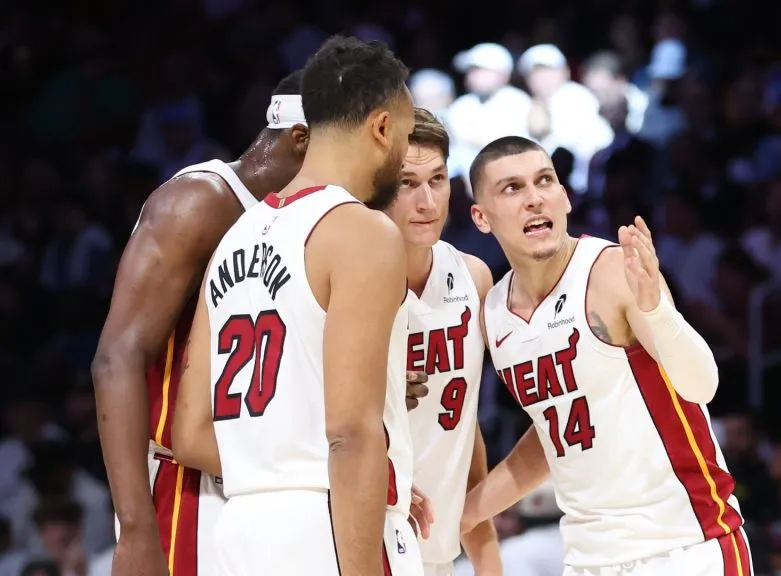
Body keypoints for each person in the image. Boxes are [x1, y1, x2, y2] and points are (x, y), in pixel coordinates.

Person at [170, 35, 420, 575]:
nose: (403, 154)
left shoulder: (232, 240)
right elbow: (351, 431)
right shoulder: (361, 231)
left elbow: (188, 432)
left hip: (242, 528)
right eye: (404, 136)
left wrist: (274, 461)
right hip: (330, 523)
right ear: (381, 127)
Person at [461, 136, 751, 575]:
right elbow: (555, 432)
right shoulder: (496, 313)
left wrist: (656, 311)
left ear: (565, 197)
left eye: (544, 182)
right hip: (588, 557)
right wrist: (466, 512)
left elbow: (701, 385)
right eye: (512, 188)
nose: (534, 199)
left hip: (685, 544)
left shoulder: (613, 271)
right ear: (482, 218)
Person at [91, 70, 310, 576]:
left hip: (273, 477)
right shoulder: (201, 200)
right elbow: (116, 358)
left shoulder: (308, 217)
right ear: (302, 138)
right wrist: (137, 530)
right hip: (188, 486)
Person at [382, 108, 501, 576]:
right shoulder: (347, 279)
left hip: (436, 549)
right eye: (407, 182)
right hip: (356, 536)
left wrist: (488, 559)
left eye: (437, 179)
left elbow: (466, 427)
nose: (427, 201)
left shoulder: (474, 277)